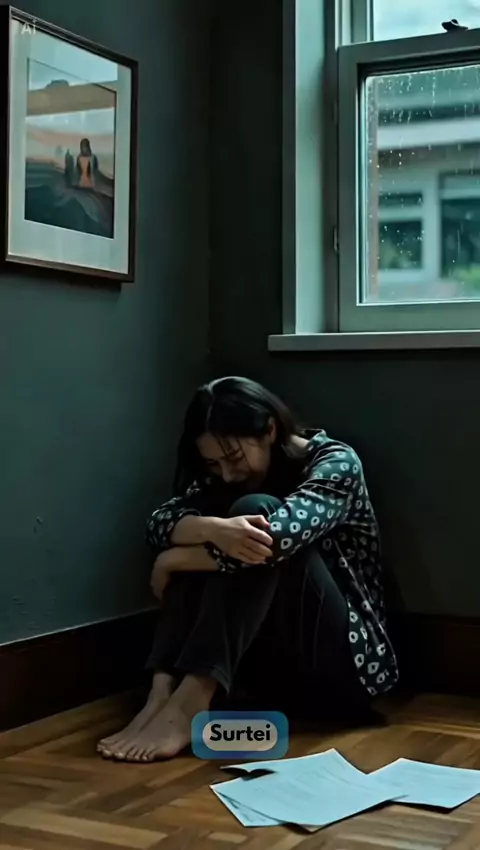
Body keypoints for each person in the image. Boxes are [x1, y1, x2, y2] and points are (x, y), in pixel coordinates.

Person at [97, 377, 398, 763]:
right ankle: (162, 692)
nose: (226, 474)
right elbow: (160, 522)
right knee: (215, 528)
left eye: (234, 458)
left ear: (270, 430)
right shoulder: (224, 477)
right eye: (213, 463)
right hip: (262, 672)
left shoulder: (335, 463)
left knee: (253, 514)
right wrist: (211, 529)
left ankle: (190, 704)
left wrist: (174, 559)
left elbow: (275, 539)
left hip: (344, 668)